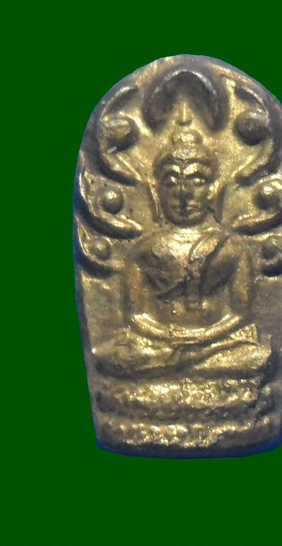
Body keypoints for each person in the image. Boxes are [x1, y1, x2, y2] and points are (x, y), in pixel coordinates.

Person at [95, 128, 271, 376]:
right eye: (171, 182)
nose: (184, 193)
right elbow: (135, 314)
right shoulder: (143, 251)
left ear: (213, 190)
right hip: (159, 343)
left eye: (196, 181)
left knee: (258, 357)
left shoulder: (231, 249)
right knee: (113, 356)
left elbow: (240, 312)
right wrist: (168, 335)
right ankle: (191, 365)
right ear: (157, 192)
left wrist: (204, 336)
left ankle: (180, 365)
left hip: (216, 343)